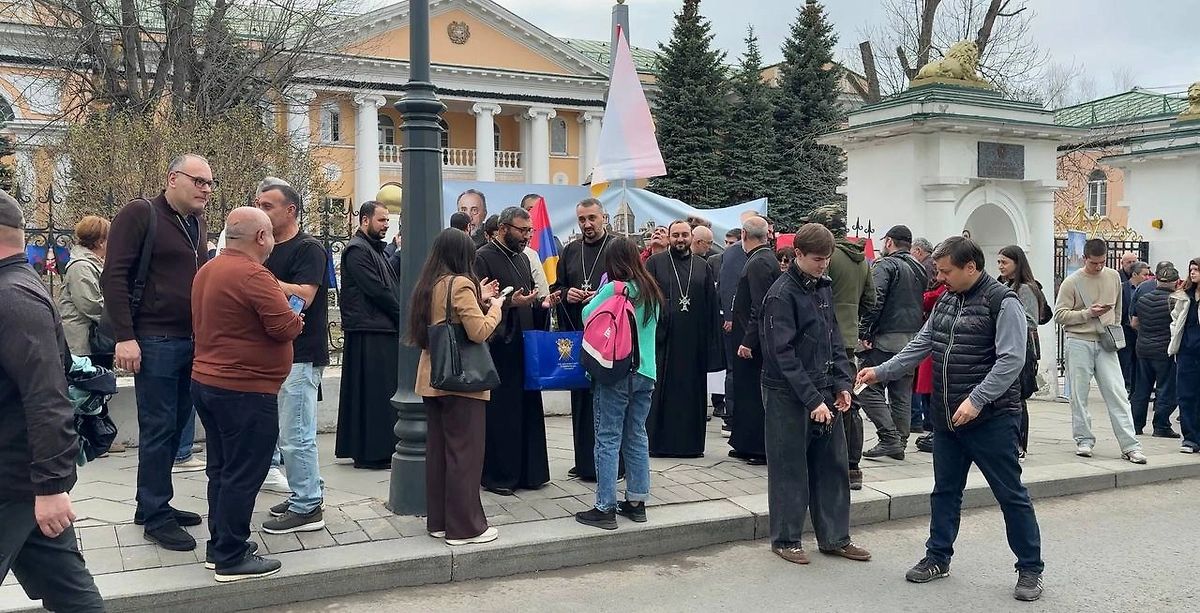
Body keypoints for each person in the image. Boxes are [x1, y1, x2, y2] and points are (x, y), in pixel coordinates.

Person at [857, 236, 1044, 602]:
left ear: (970, 268)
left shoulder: (1002, 302)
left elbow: (1011, 360)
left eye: (946, 271)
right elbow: (922, 344)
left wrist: (977, 399)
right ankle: (938, 557)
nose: (939, 278)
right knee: (944, 492)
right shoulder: (947, 299)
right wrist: (881, 371)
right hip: (947, 418)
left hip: (991, 419)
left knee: (1010, 495)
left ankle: (1030, 568)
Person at [0, 190, 106, 611]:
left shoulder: (14, 297)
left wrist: (50, 488)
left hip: (15, 484)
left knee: (71, 593)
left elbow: (47, 398)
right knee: (71, 595)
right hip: (21, 481)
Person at [101, 154, 210, 551]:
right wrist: (125, 337)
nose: (205, 189)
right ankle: (156, 516)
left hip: (189, 339)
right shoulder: (139, 213)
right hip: (154, 339)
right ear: (172, 178)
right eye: (198, 181)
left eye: (209, 183)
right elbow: (113, 276)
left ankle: (150, 504)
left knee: (177, 425)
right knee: (159, 427)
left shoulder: (196, 222)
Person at [192, 207, 303, 582]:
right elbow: (284, 327)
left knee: (221, 471)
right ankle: (231, 557)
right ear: (260, 237)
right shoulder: (254, 275)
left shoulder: (208, 269)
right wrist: (296, 318)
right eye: (270, 234)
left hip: (208, 382)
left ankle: (220, 544)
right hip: (245, 390)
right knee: (243, 474)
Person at [761, 223, 870, 566]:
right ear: (798, 254)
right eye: (817, 259)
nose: (823, 264)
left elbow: (833, 338)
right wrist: (812, 400)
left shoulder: (823, 286)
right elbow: (782, 354)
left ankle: (836, 537)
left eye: (827, 258)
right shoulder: (781, 294)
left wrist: (842, 384)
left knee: (832, 466)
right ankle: (786, 540)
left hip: (823, 387)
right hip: (787, 393)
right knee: (790, 467)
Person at [409, 229, 505, 545]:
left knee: (439, 454)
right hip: (462, 380)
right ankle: (465, 528)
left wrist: (479, 298)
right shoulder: (461, 283)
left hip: (432, 377)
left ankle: (439, 522)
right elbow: (478, 331)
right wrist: (495, 308)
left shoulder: (429, 284)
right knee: (465, 454)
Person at [255, 184, 331, 534]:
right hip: (274, 353)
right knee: (288, 431)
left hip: (300, 355)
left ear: (291, 211)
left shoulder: (308, 248)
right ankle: (307, 492)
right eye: (258, 204)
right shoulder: (266, 248)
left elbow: (305, 295)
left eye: (268, 205)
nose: (261, 210)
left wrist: (262, 279)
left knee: (296, 434)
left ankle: (307, 506)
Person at [575, 238, 662, 530]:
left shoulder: (614, 288)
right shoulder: (651, 289)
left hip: (616, 371)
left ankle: (605, 507)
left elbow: (587, 316)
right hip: (646, 372)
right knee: (636, 435)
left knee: (608, 438)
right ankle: (636, 502)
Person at [474, 206, 552, 495]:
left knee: (527, 409)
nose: (527, 236)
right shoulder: (482, 257)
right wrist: (510, 303)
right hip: (499, 348)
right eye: (522, 230)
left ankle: (529, 473)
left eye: (529, 230)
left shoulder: (522, 258)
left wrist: (541, 304)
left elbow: (527, 297)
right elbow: (478, 303)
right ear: (503, 228)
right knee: (503, 413)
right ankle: (500, 476)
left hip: (524, 344)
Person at [1054, 239, 1146, 464]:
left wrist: (1112, 328)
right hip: (1079, 340)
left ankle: (1130, 445)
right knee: (1079, 395)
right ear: (1084, 258)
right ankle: (1084, 440)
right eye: (1094, 263)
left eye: (1102, 262)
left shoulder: (1113, 276)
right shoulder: (1071, 282)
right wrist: (1088, 313)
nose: (1098, 266)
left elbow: (1119, 309)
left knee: (1118, 394)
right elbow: (1059, 315)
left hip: (1106, 342)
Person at [804, 206, 874, 491]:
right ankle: (853, 466)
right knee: (850, 402)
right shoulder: (862, 260)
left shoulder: (828, 258)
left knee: (825, 399)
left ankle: (829, 464)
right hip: (848, 339)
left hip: (824, 337)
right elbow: (871, 300)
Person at [645, 220, 722, 458]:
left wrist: (712, 344)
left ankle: (691, 446)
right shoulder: (655, 263)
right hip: (664, 342)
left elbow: (711, 305)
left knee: (691, 394)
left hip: (694, 342)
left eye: (684, 235)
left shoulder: (702, 266)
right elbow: (648, 300)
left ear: (691, 237)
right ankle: (658, 444)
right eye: (675, 235)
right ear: (669, 237)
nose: (680, 239)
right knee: (662, 393)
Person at [335, 201, 401, 470]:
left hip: (378, 328)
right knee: (373, 396)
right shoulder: (357, 250)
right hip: (368, 330)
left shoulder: (373, 249)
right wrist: (401, 314)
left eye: (387, 220)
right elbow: (376, 290)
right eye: (381, 220)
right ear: (364, 220)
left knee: (379, 393)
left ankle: (378, 449)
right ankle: (372, 453)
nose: (386, 225)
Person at [551, 198, 613, 480]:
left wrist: (600, 296)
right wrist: (567, 294)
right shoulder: (571, 250)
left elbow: (629, 287)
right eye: (582, 220)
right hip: (579, 333)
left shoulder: (616, 248)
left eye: (592, 218)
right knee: (581, 398)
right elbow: (558, 287)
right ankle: (584, 461)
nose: (587, 224)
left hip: (608, 336)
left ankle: (612, 464)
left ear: (604, 217)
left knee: (607, 400)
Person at [858, 224, 925, 460]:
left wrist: (864, 331)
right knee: (901, 392)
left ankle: (889, 438)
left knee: (865, 387)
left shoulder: (885, 265)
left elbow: (875, 300)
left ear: (889, 242)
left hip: (885, 337)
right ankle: (900, 441)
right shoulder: (918, 267)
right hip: (911, 338)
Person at [729, 216, 781, 465]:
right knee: (745, 391)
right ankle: (744, 442)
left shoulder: (760, 262)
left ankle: (759, 447)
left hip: (754, 341)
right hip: (750, 337)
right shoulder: (762, 257)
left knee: (754, 395)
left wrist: (749, 341)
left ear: (744, 234)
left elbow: (760, 306)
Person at [997, 245, 1045, 460]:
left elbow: (1031, 320)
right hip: (1004, 346)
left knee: (1017, 398)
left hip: (1021, 349)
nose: (1000, 266)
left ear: (1017, 264)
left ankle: (1019, 445)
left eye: (1005, 262)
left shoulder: (1025, 288)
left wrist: (1004, 321)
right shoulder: (1002, 285)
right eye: (999, 262)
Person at [717, 211, 760, 438]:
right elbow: (727, 285)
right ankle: (731, 417)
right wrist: (729, 317)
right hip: (737, 322)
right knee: (734, 369)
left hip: (749, 321)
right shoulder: (735, 253)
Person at [1132, 265, 1180, 438]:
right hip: (1165, 351)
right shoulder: (1175, 302)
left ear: (1156, 281)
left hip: (1143, 349)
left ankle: (1136, 425)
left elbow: (1134, 323)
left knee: (1141, 389)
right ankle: (1161, 426)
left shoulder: (1143, 299)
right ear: (1176, 283)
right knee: (1166, 389)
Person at [60, 216, 112, 366]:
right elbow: (90, 305)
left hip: (93, 341)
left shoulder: (93, 263)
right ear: (100, 242)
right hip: (83, 344)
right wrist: (118, 318)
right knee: (92, 379)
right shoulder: (81, 266)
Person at [1169, 259, 1200, 453]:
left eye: (1197, 269)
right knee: (1186, 396)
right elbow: (1175, 318)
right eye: (1191, 270)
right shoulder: (1185, 295)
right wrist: (1174, 339)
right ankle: (1190, 439)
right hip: (1186, 352)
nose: (1193, 273)